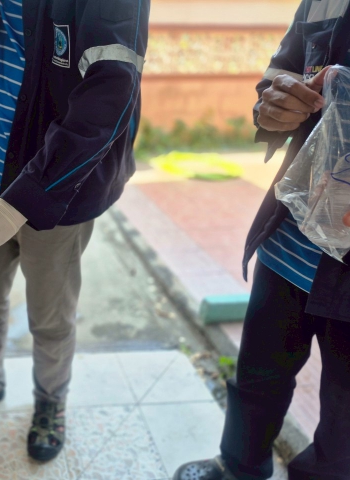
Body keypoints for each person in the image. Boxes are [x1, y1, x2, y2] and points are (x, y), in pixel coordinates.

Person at [0, 0, 149, 462]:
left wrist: (8, 214)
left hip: (57, 188)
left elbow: (111, 91)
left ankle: (50, 402)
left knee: (50, 315)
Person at [173, 2, 350, 480]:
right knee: (257, 373)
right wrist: (273, 107)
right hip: (289, 239)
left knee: (344, 425)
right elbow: (278, 77)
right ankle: (238, 466)